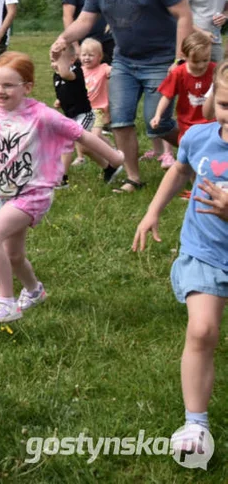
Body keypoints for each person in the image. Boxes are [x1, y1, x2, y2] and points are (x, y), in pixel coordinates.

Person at [0, 52, 123, 323]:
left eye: (8, 85)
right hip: (2, 194)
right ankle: (34, 291)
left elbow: (80, 133)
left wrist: (115, 159)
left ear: (27, 87)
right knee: (14, 254)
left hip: (34, 192)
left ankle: (6, 301)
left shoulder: (41, 115)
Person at [133, 60, 228, 459]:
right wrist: (154, 209)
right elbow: (180, 171)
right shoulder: (200, 136)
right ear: (212, 103)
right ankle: (196, 422)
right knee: (202, 331)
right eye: (225, 104)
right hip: (204, 250)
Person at [52, 0, 194, 194]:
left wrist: (180, 59)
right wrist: (63, 39)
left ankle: (196, 154)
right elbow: (85, 21)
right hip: (124, 61)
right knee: (120, 120)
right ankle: (133, 178)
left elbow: (183, 14)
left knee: (159, 122)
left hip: (160, 61)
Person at [51, 42, 120, 188]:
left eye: (59, 60)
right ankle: (109, 167)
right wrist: (60, 101)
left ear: (71, 60)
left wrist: (60, 61)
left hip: (85, 115)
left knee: (68, 141)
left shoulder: (76, 70)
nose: (55, 64)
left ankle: (62, 179)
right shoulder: (56, 76)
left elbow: (66, 75)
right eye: (52, 60)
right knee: (85, 148)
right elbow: (67, 91)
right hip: (71, 116)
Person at [150, 32, 216, 151]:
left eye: (205, 60)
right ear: (184, 56)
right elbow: (167, 96)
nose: (201, 65)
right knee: (191, 152)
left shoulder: (215, 70)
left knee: (211, 150)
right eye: (195, 62)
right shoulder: (178, 73)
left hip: (212, 122)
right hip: (188, 123)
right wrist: (158, 115)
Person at [79, 38, 113, 151]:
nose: (87, 58)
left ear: (100, 56)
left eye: (91, 55)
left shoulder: (103, 68)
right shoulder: (79, 71)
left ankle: (112, 156)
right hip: (84, 109)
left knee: (95, 136)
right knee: (81, 134)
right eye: (84, 55)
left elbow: (117, 71)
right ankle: (112, 149)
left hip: (99, 109)